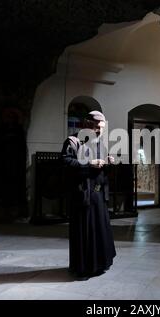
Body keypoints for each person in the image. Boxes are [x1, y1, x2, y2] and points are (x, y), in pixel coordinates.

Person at [61, 110, 116, 280]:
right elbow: (66, 162)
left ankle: (99, 264)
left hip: (98, 194)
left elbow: (101, 167)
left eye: (102, 128)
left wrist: (108, 162)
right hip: (83, 194)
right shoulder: (73, 141)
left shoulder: (100, 143)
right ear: (87, 124)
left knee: (99, 230)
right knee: (85, 232)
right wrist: (89, 163)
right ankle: (84, 268)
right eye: (97, 127)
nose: (100, 131)